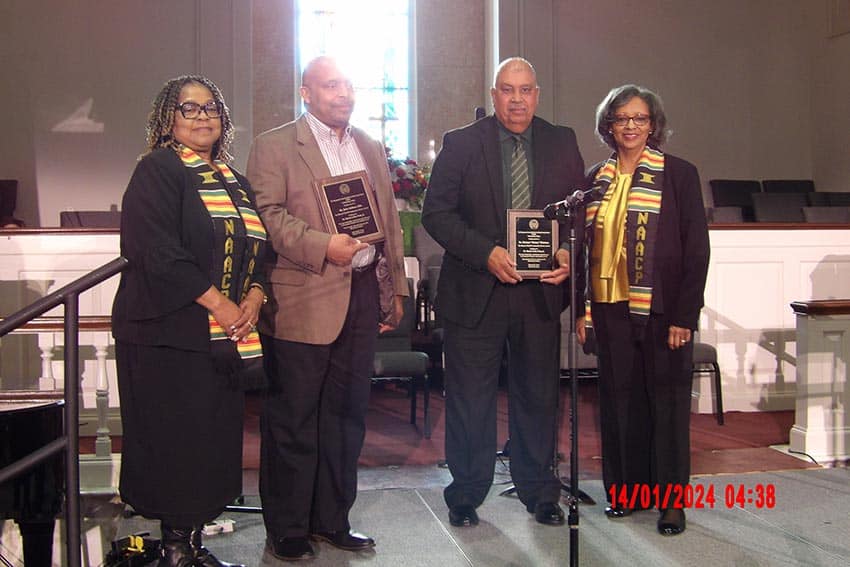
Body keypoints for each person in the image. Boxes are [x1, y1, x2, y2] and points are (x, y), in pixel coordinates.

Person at [246, 56, 407, 561]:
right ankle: (288, 527)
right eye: (331, 85)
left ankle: (332, 519)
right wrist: (322, 245)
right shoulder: (273, 146)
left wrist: (394, 290)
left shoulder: (369, 146)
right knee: (293, 418)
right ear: (306, 93)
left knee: (346, 418)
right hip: (303, 296)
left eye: (348, 84)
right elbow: (266, 217)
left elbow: (389, 224)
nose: (343, 93)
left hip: (360, 294)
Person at [421, 57, 585, 527]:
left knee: (538, 396)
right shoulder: (462, 143)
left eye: (526, 90)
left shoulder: (562, 141)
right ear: (494, 95)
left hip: (538, 294)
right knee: (471, 399)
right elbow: (437, 214)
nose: (517, 100)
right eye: (507, 90)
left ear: (537, 94)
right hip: (477, 291)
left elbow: (576, 215)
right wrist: (486, 252)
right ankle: (466, 496)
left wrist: (568, 253)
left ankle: (540, 493)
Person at [112, 75, 268, 567]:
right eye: (189, 108)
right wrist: (219, 303)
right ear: (168, 118)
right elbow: (157, 253)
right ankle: (174, 550)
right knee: (176, 444)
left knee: (211, 444)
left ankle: (193, 546)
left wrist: (257, 295)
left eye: (211, 109)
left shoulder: (234, 180)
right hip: (166, 338)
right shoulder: (158, 170)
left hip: (220, 341)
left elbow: (258, 251)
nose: (202, 117)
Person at [575, 84, 710, 536]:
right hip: (610, 310)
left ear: (654, 125)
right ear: (607, 125)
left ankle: (671, 503)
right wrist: (581, 309)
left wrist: (684, 317)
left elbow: (697, 251)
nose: (630, 126)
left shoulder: (679, 174)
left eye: (640, 118)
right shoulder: (596, 177)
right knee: (619, 402)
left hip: (662, 311)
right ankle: (626, 493)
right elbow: (582, 250)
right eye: (621, 118)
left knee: (667, 404)